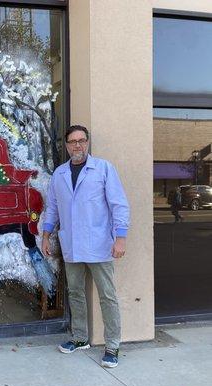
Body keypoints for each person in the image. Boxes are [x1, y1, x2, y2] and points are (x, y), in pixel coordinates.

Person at [41, 125, 130, 368]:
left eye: (81, 140)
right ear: (67, 145)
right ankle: (80, 338)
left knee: (107, 295)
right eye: (72, 141)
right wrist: (46, 235)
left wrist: (120, 237)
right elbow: (53, 208)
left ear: (87, 142)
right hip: (72, 244)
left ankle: (112, 345)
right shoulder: (59, 174)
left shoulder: (103, 169)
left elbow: (118, 204)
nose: (77, 145)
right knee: (75, 293)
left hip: (100, 244)